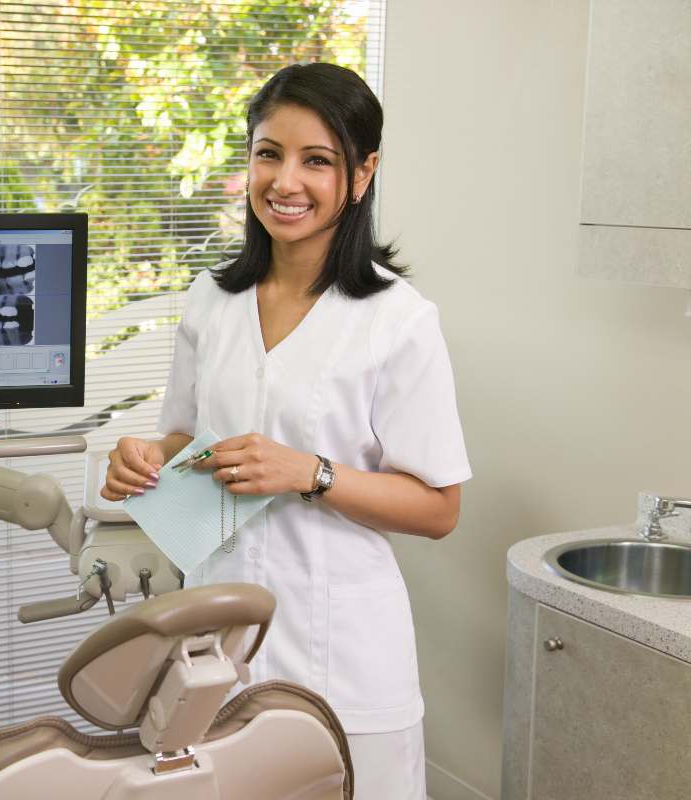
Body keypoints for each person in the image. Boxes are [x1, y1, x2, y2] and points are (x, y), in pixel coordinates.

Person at [101, 63, 470, 800]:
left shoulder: (398, 320)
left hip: (345, 656)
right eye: (269, 153)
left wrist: (310, 473)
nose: (286, 181)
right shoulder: (212, 300)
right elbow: (182, 440)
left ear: (362, 174)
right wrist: (143, 458)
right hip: (217, 648)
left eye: (317, 160)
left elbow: (439, 508)